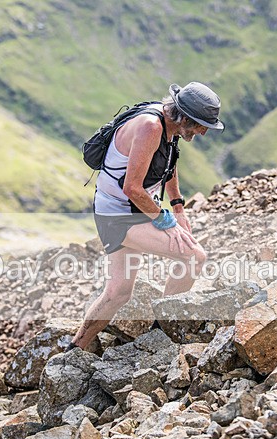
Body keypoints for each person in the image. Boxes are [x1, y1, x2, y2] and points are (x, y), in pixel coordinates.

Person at [71, 82, 224, 349]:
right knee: (194, 257)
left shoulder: (169, 122)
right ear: (185, 118)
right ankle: (160, 334)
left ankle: (75, 348)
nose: (203, 132)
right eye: (202, 126)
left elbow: (169, 163)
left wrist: (178, 207)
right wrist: (166, 222)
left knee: (118, 293)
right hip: (120, 214)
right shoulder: (151, 127)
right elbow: (131, 188)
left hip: (129, 209)